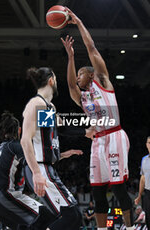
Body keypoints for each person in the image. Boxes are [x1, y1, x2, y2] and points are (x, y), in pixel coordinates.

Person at [61, 8, 133, 230]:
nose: (78, 77)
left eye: (81, 73)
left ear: (91, 75)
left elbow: (91, 48)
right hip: (98, 142)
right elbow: (71, 85)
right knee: (98, 191)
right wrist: (71, 57)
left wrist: (79, 22)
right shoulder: (81, 98)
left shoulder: (103, 81)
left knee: (119, 189)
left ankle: (131, 227)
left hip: (115, 136)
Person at [21, 67, 95, 230]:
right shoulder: (36, 104)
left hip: (46, 167)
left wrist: (85, 132)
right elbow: (25, 141)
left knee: (66, 216)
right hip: (40, 169)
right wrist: (36, 173)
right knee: (72, 215)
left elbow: (60, 129)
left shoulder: (48, 106)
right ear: (51, 81)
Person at [0, 111, 56, 230]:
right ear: (19, 130)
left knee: (24, 225)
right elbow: (40, 157)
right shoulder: (16, 146)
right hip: (2, 194)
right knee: (47, 215)